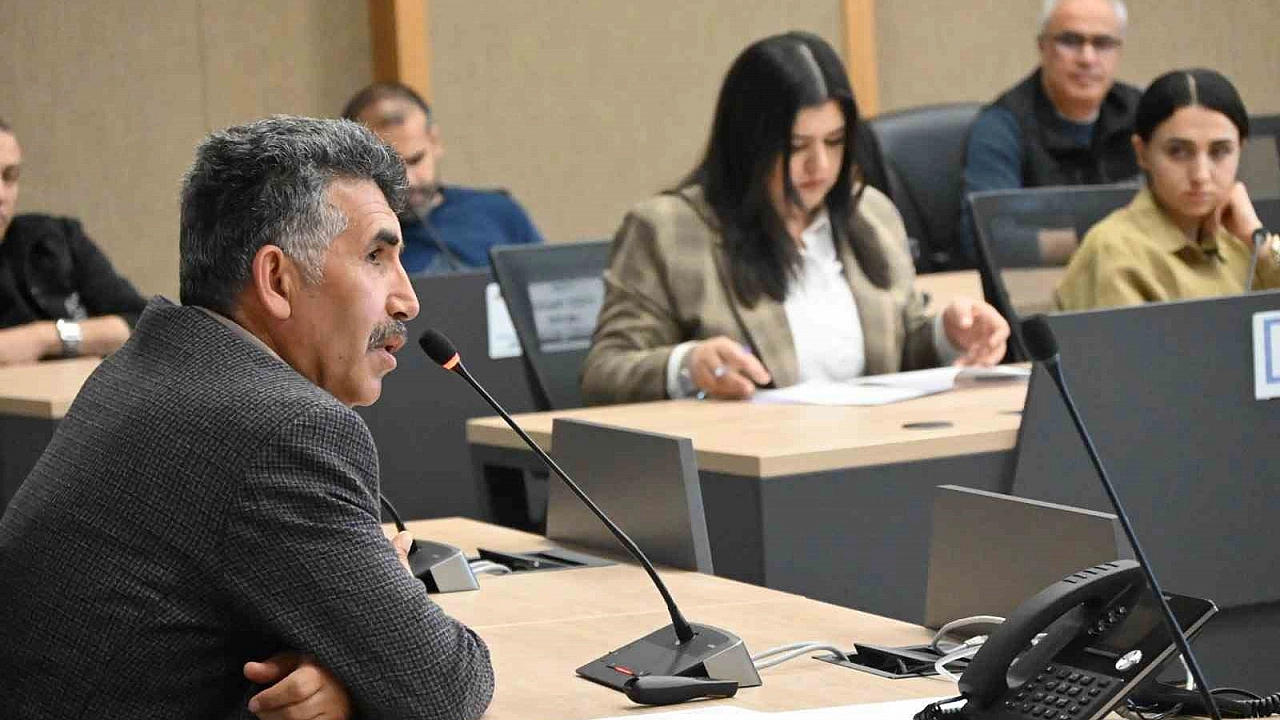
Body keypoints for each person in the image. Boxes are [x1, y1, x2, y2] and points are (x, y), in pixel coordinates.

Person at [0, 117, 494, 719]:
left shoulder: (146, 368)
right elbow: (443, 687)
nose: (408, 300)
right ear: (277, 280)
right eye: (375, 257)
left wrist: (344, 663)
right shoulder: (283, 430)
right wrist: (366, 653)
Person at [581, 32, 1009, 406]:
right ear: (748, 145)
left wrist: (947, 336)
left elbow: (897, 349)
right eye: (796, 146)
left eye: (834, 141)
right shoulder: (668, 229)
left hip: (871, 451)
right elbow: (604, 372)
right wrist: (686, 365)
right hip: (746, 461)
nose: (819, 165)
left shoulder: (871, 214)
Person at [1055, 69, 1280, 310]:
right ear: (1142, 153)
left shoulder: (1242, 241)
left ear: (1240, 150)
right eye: (1178, 152)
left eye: (1220, 151)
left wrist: (1262, 244)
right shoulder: (1113, 249)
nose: (1201, 175)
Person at [959, 0, 1139, 264]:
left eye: (1102, 43)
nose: (1087, 58)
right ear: (1042, 47)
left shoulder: (1143, 113)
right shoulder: (1001, 125)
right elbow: (984, 239)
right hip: (1040, 282)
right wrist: (1100, 241)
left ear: (1119, 51)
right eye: (1071, 41)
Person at [342, 82, 543, 274]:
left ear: (434, 141)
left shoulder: (499, 213)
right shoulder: (347, 238)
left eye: (415, 160)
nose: (408, 180)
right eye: (389, 168)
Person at [0, 117, 147, 365]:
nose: (1, 195)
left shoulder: (55, 238)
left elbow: (142, 323)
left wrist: (43, 337)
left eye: (10, 176)